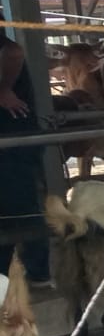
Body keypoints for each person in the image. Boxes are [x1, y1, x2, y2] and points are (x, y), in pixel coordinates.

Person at [0, 32, 50, 284]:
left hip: (13, 144)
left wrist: (3, 90)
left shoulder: (7, 50)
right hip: (13, 145)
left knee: (20, 207)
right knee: (15, 210)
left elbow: (14, 51)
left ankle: (39, 272)